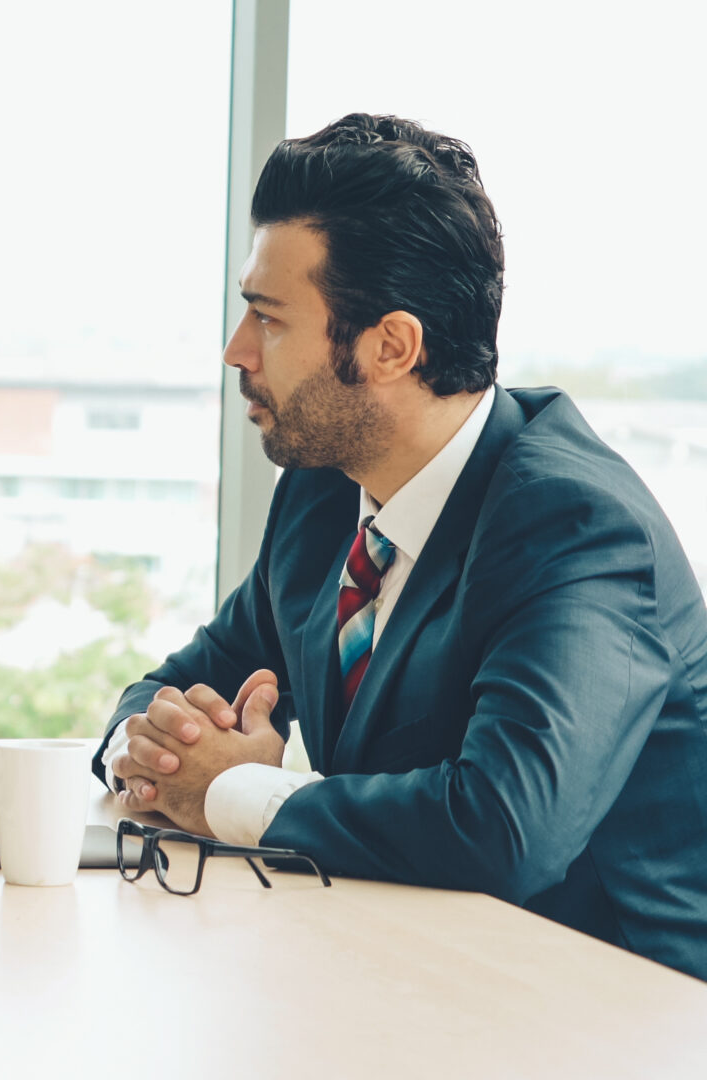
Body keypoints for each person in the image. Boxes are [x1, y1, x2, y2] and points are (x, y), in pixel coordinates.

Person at [97, 114, 707, 981]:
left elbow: (503, 829)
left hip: (610, 1014)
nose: (235, 352)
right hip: (406, 977)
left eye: (268, 320)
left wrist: (232, 792)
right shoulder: (322, 492)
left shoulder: (576, 527)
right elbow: (188, 677)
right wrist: (145, 744)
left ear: (391, 346)